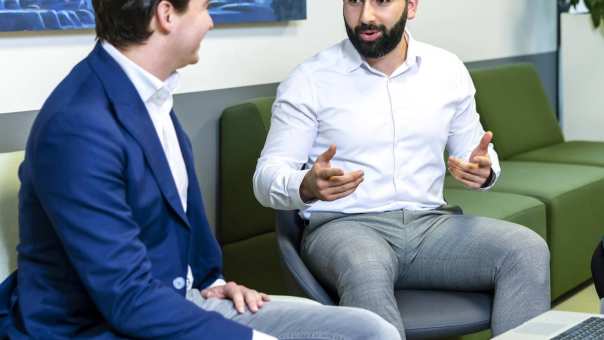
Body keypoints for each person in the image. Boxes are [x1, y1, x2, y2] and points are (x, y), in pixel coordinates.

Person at [0, 0, 400, 339]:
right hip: (97, 325)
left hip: (175, 302)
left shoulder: (149, 94)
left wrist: (214, 284)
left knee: (370, 331)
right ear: (166, 15)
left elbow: (175, 230)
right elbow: (126, 298)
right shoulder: (78, 125)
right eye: (206, 7)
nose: (211, 20)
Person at [253, 0, 551, 338]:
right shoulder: (309, 79)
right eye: (353, 2)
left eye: (380, 1)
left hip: (430, 227)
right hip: (345, 227)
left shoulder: (446, 70)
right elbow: (266, 177)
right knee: (365, 266)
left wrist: (484, 170)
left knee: (526, 250)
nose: (365, 15)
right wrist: (305, 185)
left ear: (410, 6)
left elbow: (477, 151)